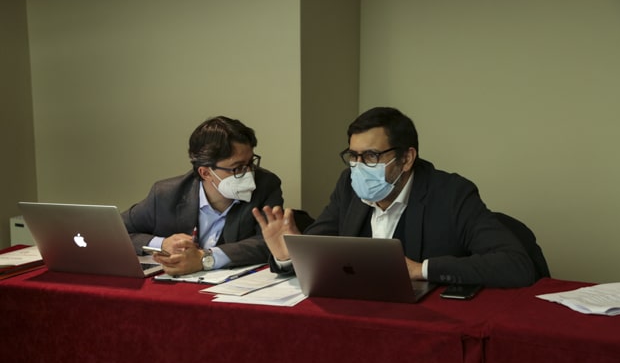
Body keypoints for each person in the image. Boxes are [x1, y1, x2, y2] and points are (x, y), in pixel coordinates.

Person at [253, 107, 536, 288]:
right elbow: (320, 247)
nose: (359, 166)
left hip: (427, 325)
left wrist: (421, 270)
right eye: (354, 156)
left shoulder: (452, 193)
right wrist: (289, 255)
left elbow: (515, 264)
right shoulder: (348, 187)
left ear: (407, 158)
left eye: (371, 156)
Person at [122, 115, 283, 276]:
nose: (249, 174)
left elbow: (271, 241)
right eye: (238, 167)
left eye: (250, 163)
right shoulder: (166, 194)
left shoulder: (266, 185)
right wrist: (162, 244)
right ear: (206, 173)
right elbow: (117, 232)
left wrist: (205, 258)